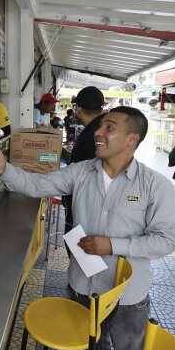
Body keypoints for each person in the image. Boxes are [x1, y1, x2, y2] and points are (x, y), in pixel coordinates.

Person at [0, 106, 175, 350]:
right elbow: (36, 184)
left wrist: (113, 245)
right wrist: (2, 167)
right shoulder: (80, 172)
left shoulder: (156, 186)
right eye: (101, 126)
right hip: (84, 286)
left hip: (127, 295)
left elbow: (167, 240)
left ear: (132, 139)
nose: (98, 133)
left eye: (109, 128)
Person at [63, 86, 106, 247]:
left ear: (78, 108)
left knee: (80, 254)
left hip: (82, 209)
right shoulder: (96, 130)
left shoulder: (93, 134)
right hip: (89, 207)